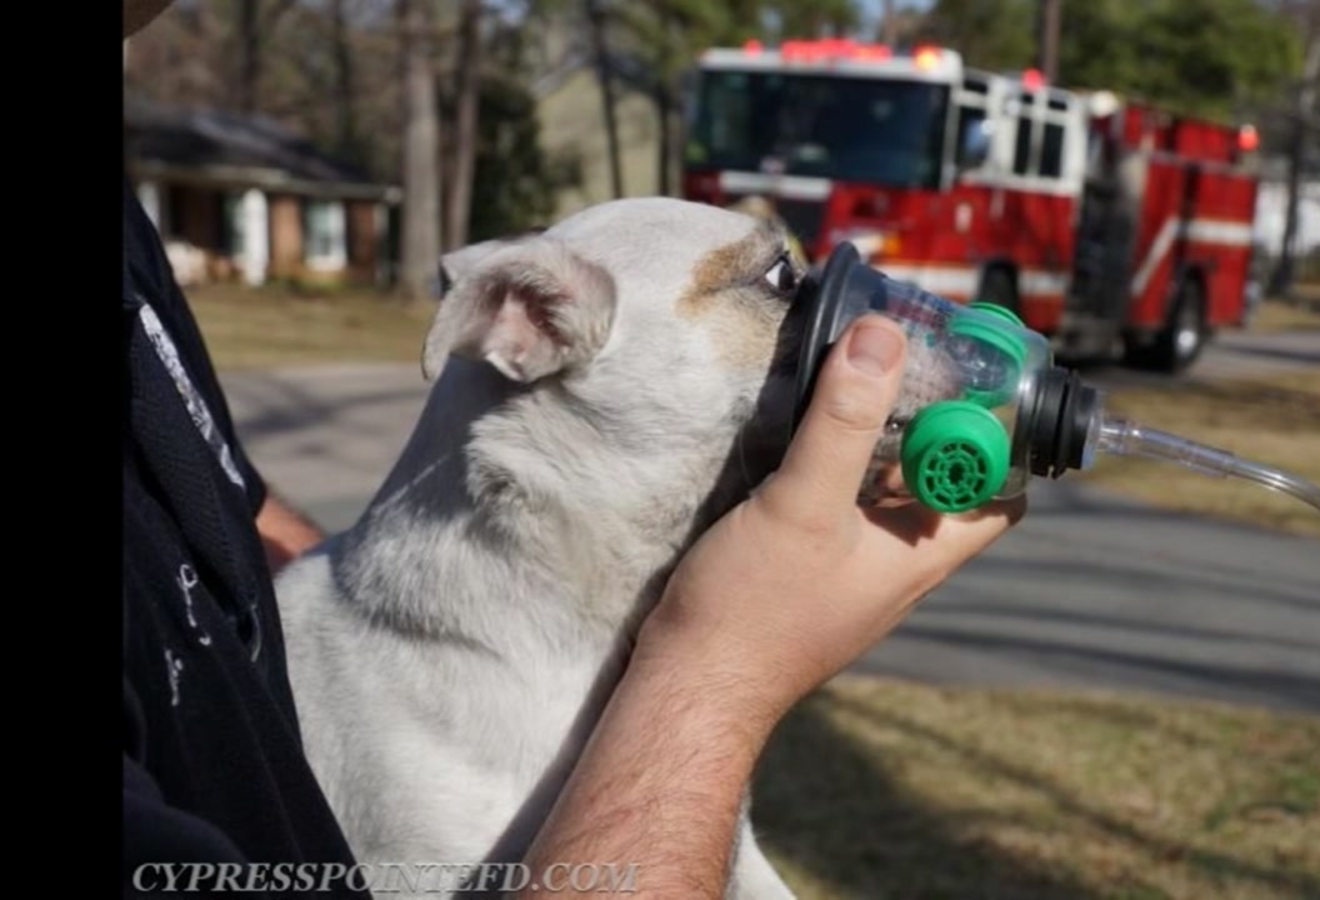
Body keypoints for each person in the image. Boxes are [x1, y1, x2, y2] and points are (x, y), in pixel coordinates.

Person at [120, 3, 1024, 896]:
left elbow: (216, 493)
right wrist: (717, 678)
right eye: (774, 282)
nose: (829, 312)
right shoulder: (416, 756)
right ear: (533, 321)